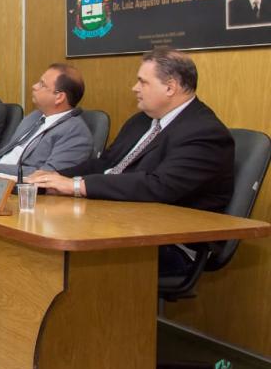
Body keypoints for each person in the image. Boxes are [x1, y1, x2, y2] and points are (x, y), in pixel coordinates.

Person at [26, 49, 233, 275]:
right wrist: (55, 179)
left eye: (142, 82)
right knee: (38, 232)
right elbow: (105, 163)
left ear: (170, 87)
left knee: (55, 252)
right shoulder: (142, 121)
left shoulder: (204, 132)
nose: (134, 88)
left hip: (170, 244)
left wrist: (76, 186)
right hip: (119, 222)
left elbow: (159, 186)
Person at [0, 63, 92, 177]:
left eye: (42, 84)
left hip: (24, 191)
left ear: (59, 97)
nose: (34, 86)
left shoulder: (76, 132)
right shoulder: (34, 116)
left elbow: (48, 174)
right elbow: (8, 152)